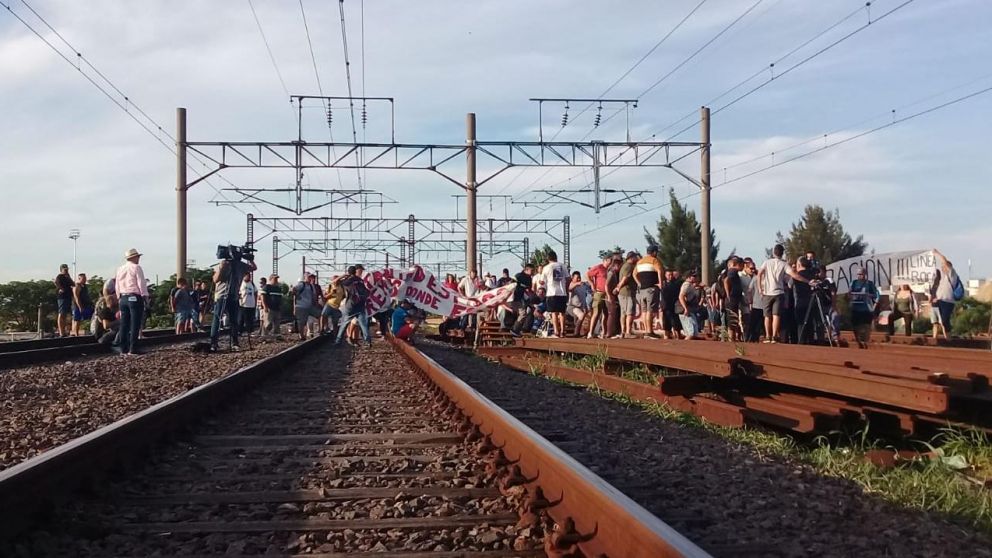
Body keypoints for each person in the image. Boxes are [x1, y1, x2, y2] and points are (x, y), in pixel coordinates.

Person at [757, 244, 810, 343]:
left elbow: (759, 274)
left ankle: (768, 336)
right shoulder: (784, 264)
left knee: (767, 316)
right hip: (779, 292)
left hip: (767, 292)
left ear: (773, 252)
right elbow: (794, 275)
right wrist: (807, 281)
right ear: (782, 253)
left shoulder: (767, 262)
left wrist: (760, 288)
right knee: (776, 315)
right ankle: (774, 336)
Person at [210, 253, 256, 351]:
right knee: (217, 318)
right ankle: (213, 342)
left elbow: (253, 268)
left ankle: (235, 342)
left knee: (234, 320)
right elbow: (215, 279)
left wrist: (249, 259)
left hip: (234, 295)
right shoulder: (223, 264)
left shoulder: (240, 265)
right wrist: (222, 268)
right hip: (222, 295)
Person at [114, 248, 148, 356]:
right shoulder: (136, 268)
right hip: (134, 296)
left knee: (124, 324)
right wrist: (145, 296)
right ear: (133, 257)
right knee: (135, 324)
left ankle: (123, 348)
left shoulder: (120, 269)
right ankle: (133, 348)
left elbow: (117, 285)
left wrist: (119, 296)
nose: (138, 259)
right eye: (137, 257)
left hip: (123, 297)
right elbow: (141, 283)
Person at [336, 265, 372, 346]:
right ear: (355, 271)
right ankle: (368, 341)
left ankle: (338, 341)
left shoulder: (347, 280)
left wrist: (343, 276)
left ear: (348, 272)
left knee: (344, 323)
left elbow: (336, 282)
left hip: (351, 304)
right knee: (363, 324)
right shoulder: (360, 280)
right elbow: (367, 292)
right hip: (361, 304)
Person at [634, 245, 665, 339]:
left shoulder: (639, 262)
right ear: (654, 252)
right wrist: (660, 283)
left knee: (644, 311)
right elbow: (659, 271)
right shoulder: (654, 260)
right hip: (651, 288)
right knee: (650, 310)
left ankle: (646, 331)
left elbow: (634, 274)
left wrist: (639, 283)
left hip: (642, 289)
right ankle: (650, 332)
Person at [930, 249, 962, 336]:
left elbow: (944, 260)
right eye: (942, 266)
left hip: (948, 302)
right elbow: (941, 290)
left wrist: (937, 254)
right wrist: (936, 298)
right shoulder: (942, 278)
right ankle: (948, 338)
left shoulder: (952, 274)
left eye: (944, 266)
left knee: (944, 320)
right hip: (940, 301)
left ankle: (949, 337)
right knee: (943, 322)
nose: (942, 268)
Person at [540, 250, 568, 338]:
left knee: (554, 313)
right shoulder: (563, 266)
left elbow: (542, 282)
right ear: (556, 257)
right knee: (562, 312)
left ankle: (556, 331)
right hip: (562, 292)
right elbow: (568, 278)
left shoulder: (546, 268)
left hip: (551, 292)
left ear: (548, 259)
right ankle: (563, 331)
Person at [849, 268, 879, 348]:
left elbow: (875, 295)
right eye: (858, 274)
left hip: (866, 308)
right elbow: (849, 294)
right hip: (856, 308)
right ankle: (859, 340)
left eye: (861, 274)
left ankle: (864, 341)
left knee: (866, 325)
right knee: (855, 325)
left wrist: (868, 295)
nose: (860, 276)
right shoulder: (854, 283)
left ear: (865, 274)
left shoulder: (869, 283)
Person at [792, 256, 817, 344]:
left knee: (800, 324)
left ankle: (801, 342)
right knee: (810, 323)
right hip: (812, 301)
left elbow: (789, 285)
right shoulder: (813, 274)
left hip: (801, 302)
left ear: (799, 264)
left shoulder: (797, 276)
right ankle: (811, 342)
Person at [586, 255, 611, 339]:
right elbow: (587, 274)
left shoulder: (609, 270)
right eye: (609, 261)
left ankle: (603, 332)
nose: (610, 263)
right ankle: (590, 332)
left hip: (607, 294)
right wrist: (592, 284)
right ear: (605, 260)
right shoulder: (599, 267)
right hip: (599, 292)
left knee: (606, 314)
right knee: (596, 313)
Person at [614, 251, 639, 339]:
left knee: (623, 313)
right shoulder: (629, 266)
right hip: (627, 292)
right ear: (631, 258)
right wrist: (618, 287)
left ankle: (623, 332)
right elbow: (625, 278)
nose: (637, 259)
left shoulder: (624, 266)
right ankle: (628, 332)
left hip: (623, 293)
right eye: (635, 257)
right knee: (630, 312)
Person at [293, 274, 322, 341]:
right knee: (302, 322)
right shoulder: (301, 285)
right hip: (301, 306)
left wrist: (316, 303)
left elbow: (314, 296)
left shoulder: (312, 286)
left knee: (321, 314)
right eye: (309, 277)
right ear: (305, 278)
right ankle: (301, 335)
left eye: (311, 277)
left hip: (309, 306)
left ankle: (320, 330)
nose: (310, 278)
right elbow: (294, 289)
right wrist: (297, 295)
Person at [509, 263, 535, 337]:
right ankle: (514, 330)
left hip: (521, 298)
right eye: (532, 270)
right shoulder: (519, 276)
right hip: (514, 298)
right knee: (523, 313)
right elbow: (510, 284)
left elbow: (528, 290)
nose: (533, 272)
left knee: (525, 313)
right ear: (526, 270)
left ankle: (517, 329)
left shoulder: (529, 279)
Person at [723, 257, 744, 342]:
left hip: (733, 299)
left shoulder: (733, 272)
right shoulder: (733, 271)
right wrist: (728, 294)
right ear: (738, 265)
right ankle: (731, 339)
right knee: (732, 320)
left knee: (733, 320)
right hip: (732, 300)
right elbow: (726, 281)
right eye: (742, 265)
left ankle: (731, 339)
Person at [677, 270, 703, 339]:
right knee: (691, 332)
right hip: (685, 310)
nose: (696, 277)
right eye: (694, 276)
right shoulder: (687, 285)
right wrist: (685, 308)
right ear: (689, 277)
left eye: (696, 276)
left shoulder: (690, 285)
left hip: (689, 309)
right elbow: (681, 296)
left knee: (694, 333)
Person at [566, 271, 591, 337]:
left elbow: (583, 297)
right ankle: (576, 333)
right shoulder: (572, 284)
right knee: (581, 315)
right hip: (572, 307)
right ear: (573, 278)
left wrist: (585, 307)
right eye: (577, 278)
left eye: (579, 277)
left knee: (582, 317)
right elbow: (569, 288)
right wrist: (577, 284)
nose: (579, 279)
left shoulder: (582, 286)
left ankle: (580, 332)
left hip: (580, 307)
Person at [53, 264, 74, 337]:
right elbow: (57, 283)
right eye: (65, 269)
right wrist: (61, 289)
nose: (66, 270)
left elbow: (73, 284)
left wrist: (69, 277)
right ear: (61, 270)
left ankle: (64, 331)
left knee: (65, 314)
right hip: (62, 297)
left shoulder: (67, 277)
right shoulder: (59, 277)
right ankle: (61, 332)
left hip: (68, 296)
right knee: (61, 313)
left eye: (67, 269)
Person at [260, 274, 283, 338]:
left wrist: (280, 306)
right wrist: (265, 306)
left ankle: (277, 335)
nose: (276, 280)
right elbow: (262, 297)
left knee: (277, 323)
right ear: (270, 279)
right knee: (268, 323)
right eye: (275, 279)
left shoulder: (278, 288)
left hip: (277, 308)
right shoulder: (267, 287)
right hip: (269, 308)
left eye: (277, 279)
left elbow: (280, 298)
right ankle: (264, 336)